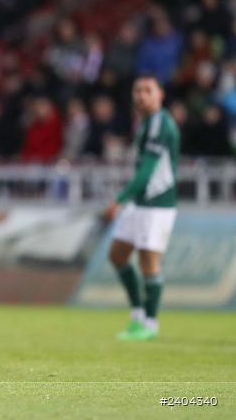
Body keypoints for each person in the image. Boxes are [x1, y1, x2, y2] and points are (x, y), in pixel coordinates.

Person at [102, 75, 180, 341]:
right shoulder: (145, 123)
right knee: (117, 255)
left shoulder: (161, 124)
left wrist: (119, 198)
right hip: (140, 203)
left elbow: (147, 171)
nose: (141, 95)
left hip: (157, 204)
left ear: (160, 95)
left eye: (147, 90)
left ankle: (150, 322)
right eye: (137, 90)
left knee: (148, 262)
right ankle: (137, 315)